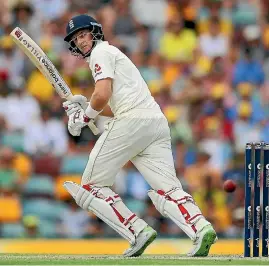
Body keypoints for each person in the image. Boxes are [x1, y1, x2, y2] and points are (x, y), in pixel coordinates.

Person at [62, 14, 217, 257]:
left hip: (132, 122)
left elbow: (102, 95)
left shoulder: (101, 53)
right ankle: (201, 228)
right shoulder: (114, 55)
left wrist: (84, 118)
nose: (81, 41)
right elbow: (111, 104)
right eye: (76, 38)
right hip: (155, 122)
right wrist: (87, 107)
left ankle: (137, 231)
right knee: (168, 189)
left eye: (83, 34)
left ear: (95, 32)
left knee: (91, 186)